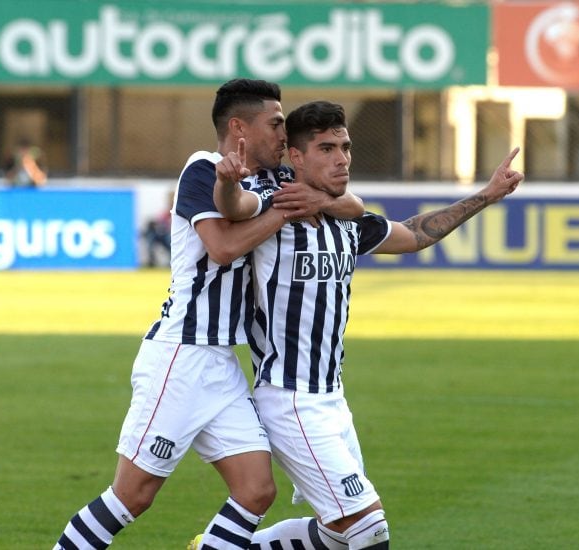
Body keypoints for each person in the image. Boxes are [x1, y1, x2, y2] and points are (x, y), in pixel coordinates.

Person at [53, 81, 364, 550]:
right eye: (276, 123)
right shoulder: (201, 169)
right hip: (180, 356)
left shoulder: (269, 182)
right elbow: (221, 248)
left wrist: (318, 201)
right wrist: (279, 212)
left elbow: (353, 205)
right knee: (132, 496)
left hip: (220, 363)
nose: (284, 133)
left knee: (257, 491)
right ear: (239, 127)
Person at [203, 100, 523, 549]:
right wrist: (225, 185)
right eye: (326, 149)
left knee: (337, 536)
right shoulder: (273, 209)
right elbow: (233, 206)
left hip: (333, 399)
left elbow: (413, 235)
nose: (341, 159)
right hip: (289, 395)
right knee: (368, 529)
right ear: (295, 157)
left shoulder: (345, 221)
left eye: (346, 147)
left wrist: (487, 195)